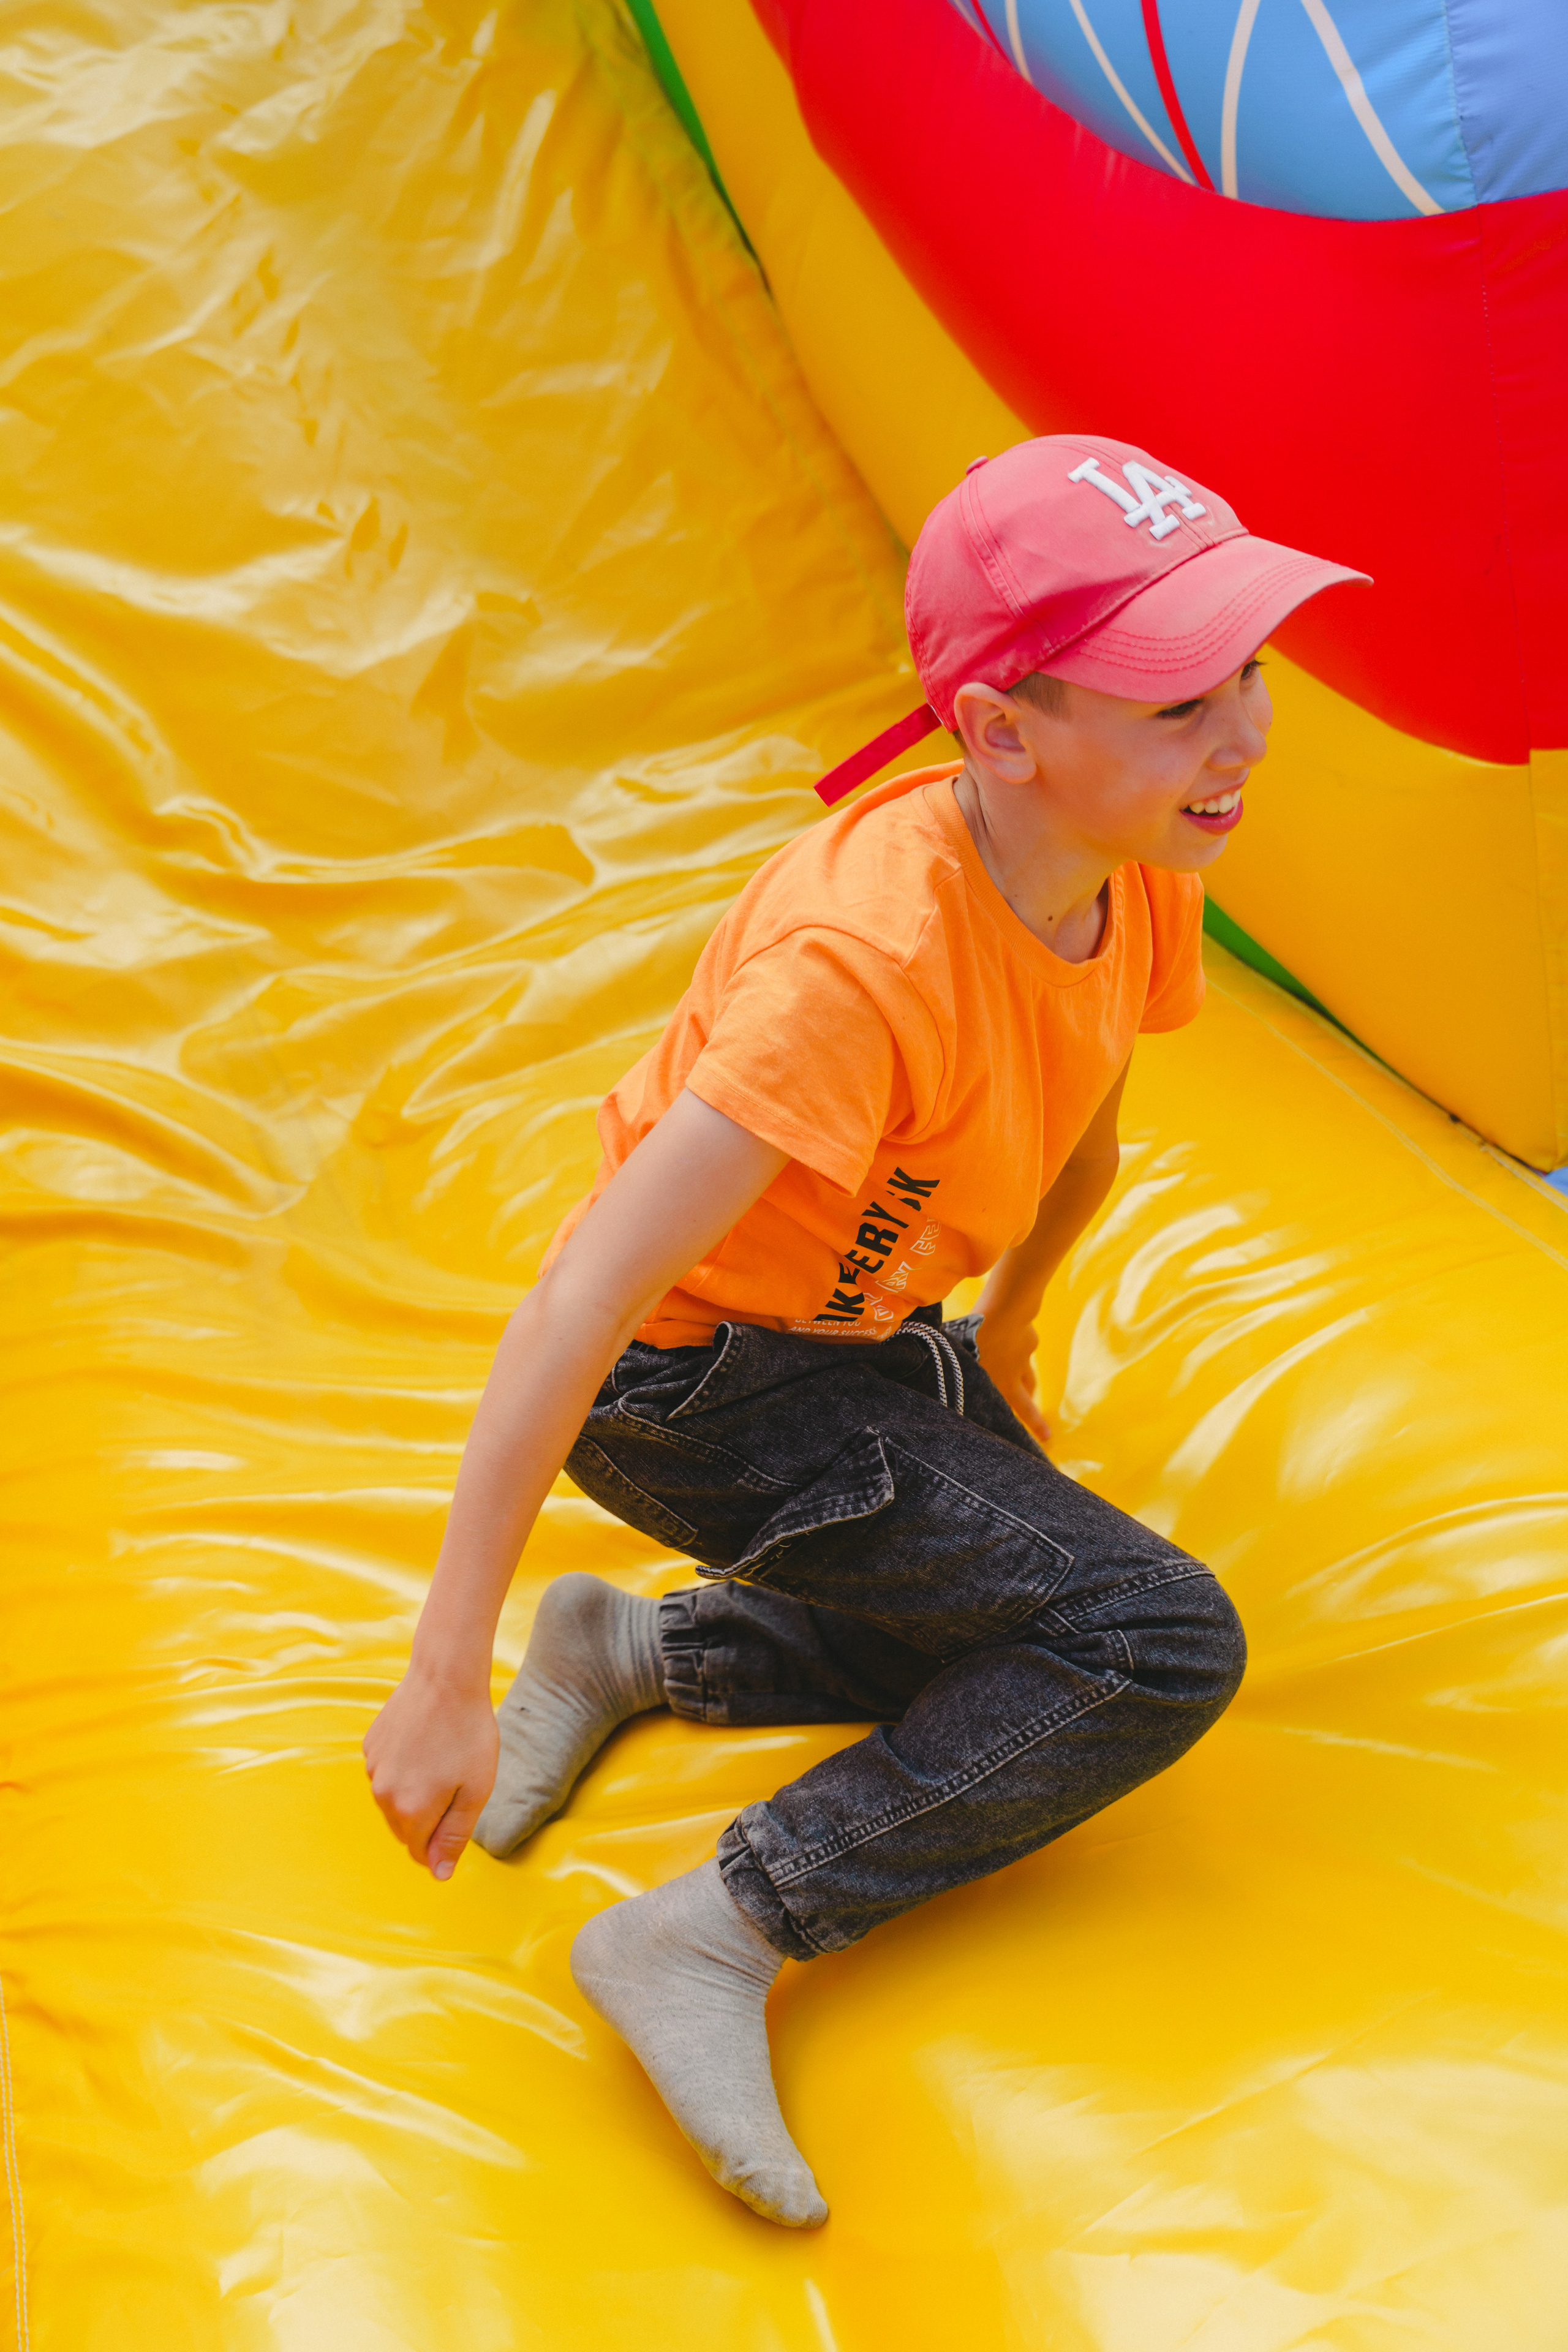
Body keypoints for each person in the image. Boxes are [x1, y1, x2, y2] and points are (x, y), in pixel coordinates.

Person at [363, 435, 1368, 2229]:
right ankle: (714, 1927)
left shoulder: (1133, 852)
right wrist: (441, 1671)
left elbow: (1090, 1118)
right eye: (1174, 703)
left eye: (1245, 676)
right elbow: (586, 1293)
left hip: (861, 1347)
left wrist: (1010, 1338)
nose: (1245, 735)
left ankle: (640, 1655)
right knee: (1148, 1640)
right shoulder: (862, 965)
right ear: (1002, 732)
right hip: (692, 1387)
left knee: (1018, 1616)